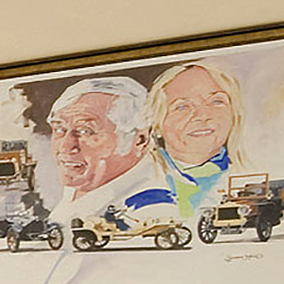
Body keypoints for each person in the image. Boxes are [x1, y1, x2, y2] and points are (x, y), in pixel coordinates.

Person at [45, 75, 174, 228]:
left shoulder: (151, 211)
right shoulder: (82, 185)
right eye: (59, 129)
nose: (65, 147)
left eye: (86, 131)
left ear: (140, 140)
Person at [144, 59, 246, 217]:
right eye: (182, 106)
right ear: (156, 123)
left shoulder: (251, 176)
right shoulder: (138, 179)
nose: (203, 116)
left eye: (216, 101)